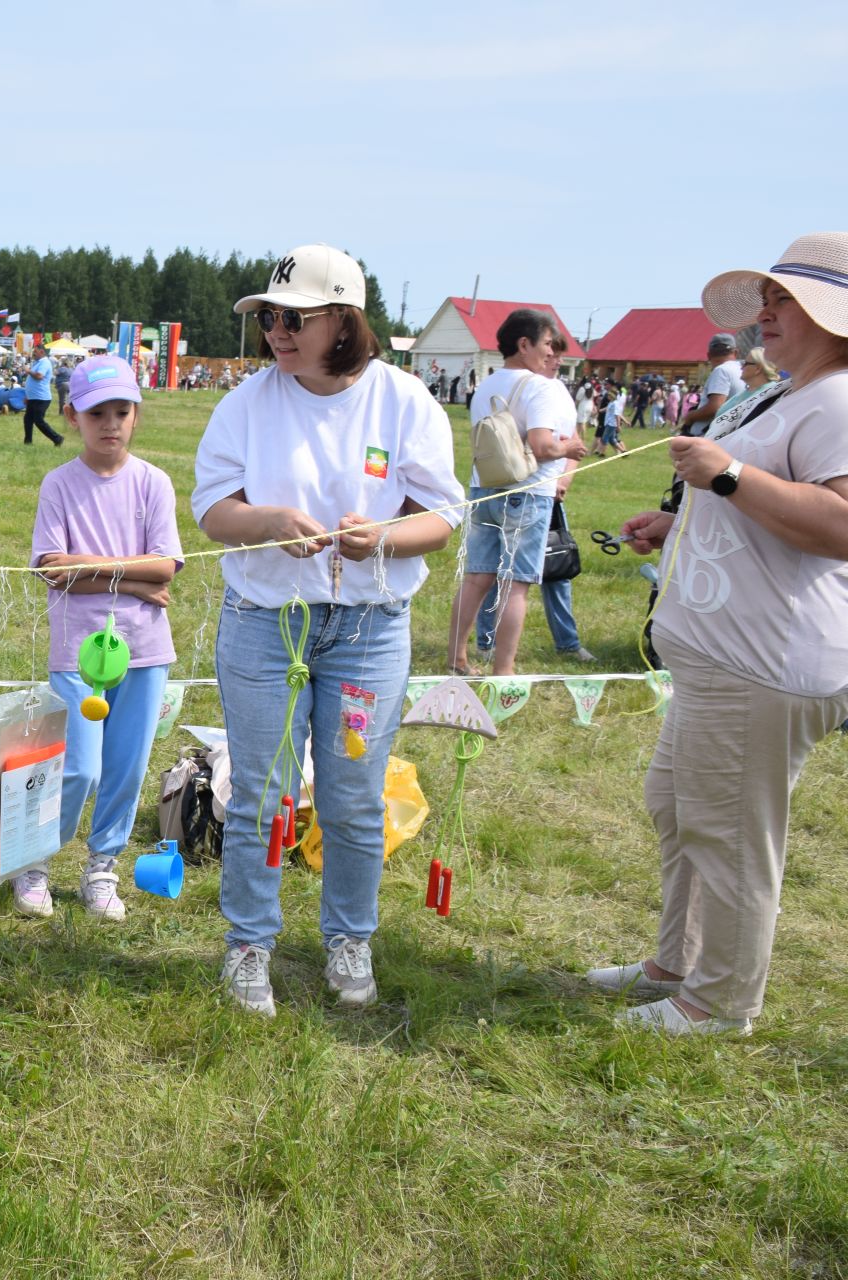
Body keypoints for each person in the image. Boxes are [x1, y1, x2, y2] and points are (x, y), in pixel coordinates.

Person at [193, 243, 462, 1017]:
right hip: (265, 625)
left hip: (368, 631)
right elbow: (212, 511)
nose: (276, 332)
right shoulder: (246, 404)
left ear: (344, 320)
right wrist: (268, 522)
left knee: (353, 795)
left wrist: (384, 539)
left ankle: (350, 938)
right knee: (262, 793)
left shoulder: (404, 401)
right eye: (269, 318)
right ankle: (249, 945)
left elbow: (444, 517)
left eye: (295, 319)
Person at [590, 233, 848, 1035]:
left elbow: (841, 523)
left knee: (730, 831)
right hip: (722, 656)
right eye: (765, 301)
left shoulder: (839, 399)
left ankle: (720, 1002)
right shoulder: (789, 393)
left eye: (785, 301)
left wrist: (728, 476)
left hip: (765, 659)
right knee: (679, 806)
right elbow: (763, 507)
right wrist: (679, 522)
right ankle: (679, 963)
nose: (765, 315)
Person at [17, 354, 183, 921]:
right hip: (77, 649)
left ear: (136, 415)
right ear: (72, 416)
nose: (110, 424)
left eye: (121, 412)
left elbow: (166, 566)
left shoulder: (154, 483)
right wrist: (133, 582)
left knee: (125, 770)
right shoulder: (59, 484)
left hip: (145, 650)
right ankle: (34, 860)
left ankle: (102, 866)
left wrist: (91, 568)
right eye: (96, 414)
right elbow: (52, 570)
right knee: (79, 767)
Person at [447, 309, 587, 677]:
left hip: (483, 488)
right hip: (526, 493)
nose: (550, 352)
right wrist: (570, 448)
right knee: (515, 586)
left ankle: (457, 658)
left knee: (476, 578)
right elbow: (543, 446)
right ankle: (504, 670)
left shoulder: (487, 385)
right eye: (546, 344)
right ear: (524, 344)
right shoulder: (541, 387)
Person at [678, 333, 744, 436]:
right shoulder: (741, 370)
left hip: (708, 434)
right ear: (736, 352)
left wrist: (690, 416)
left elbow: (715, 407)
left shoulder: (721, 371)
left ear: (708, 355)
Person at [22, 345, 63, 445]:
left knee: (38, 421)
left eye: (35, 352)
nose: (33, 353)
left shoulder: (45, 362)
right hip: (33, 397)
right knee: (28, 420)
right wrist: (28, 396)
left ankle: (57, 438)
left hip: (41, 398)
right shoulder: (37, 362)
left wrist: (28, 371)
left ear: (42, 352)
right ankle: (27, 442)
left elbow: (39, 376)